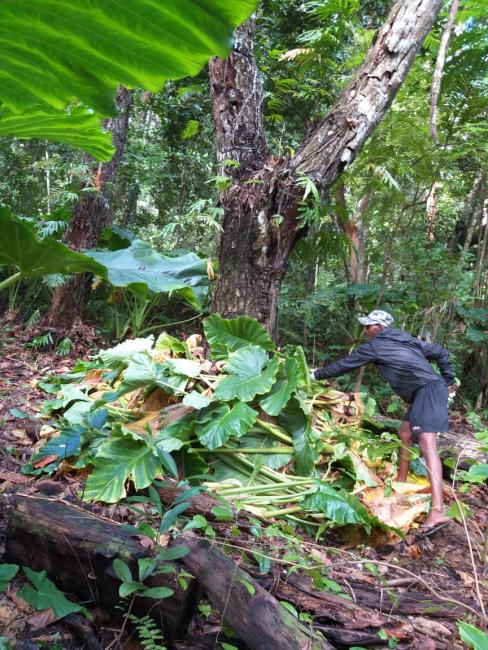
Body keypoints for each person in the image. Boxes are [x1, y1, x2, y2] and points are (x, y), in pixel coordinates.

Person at [311, 309, 457, 535]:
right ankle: (400, 486)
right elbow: (440, 352)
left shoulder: (376, 346)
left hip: (427, 391)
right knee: (405, 434)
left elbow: (344, 365)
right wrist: (446, 379)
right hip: (424, 393)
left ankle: (437, 511)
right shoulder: (408, 341)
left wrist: (314, 375)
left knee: (428, 446)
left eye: (368, 326)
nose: (365, 330)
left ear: (379, 327)